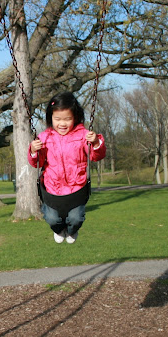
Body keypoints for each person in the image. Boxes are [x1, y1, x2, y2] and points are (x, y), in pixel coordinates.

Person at [28, 91, 106, 244]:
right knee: (51, 219)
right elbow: (37, 162)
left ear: (75, 117)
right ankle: (58, 230)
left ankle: (71, 230)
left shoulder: (83, 135)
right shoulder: (44, 137)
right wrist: (33, 151)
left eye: (67, 119)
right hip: (52, 188)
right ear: (51, 118)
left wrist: (96, 143)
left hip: (77, 188)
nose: (62, 124)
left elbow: (96, 156)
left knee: (76, 219)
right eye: (57, 119)